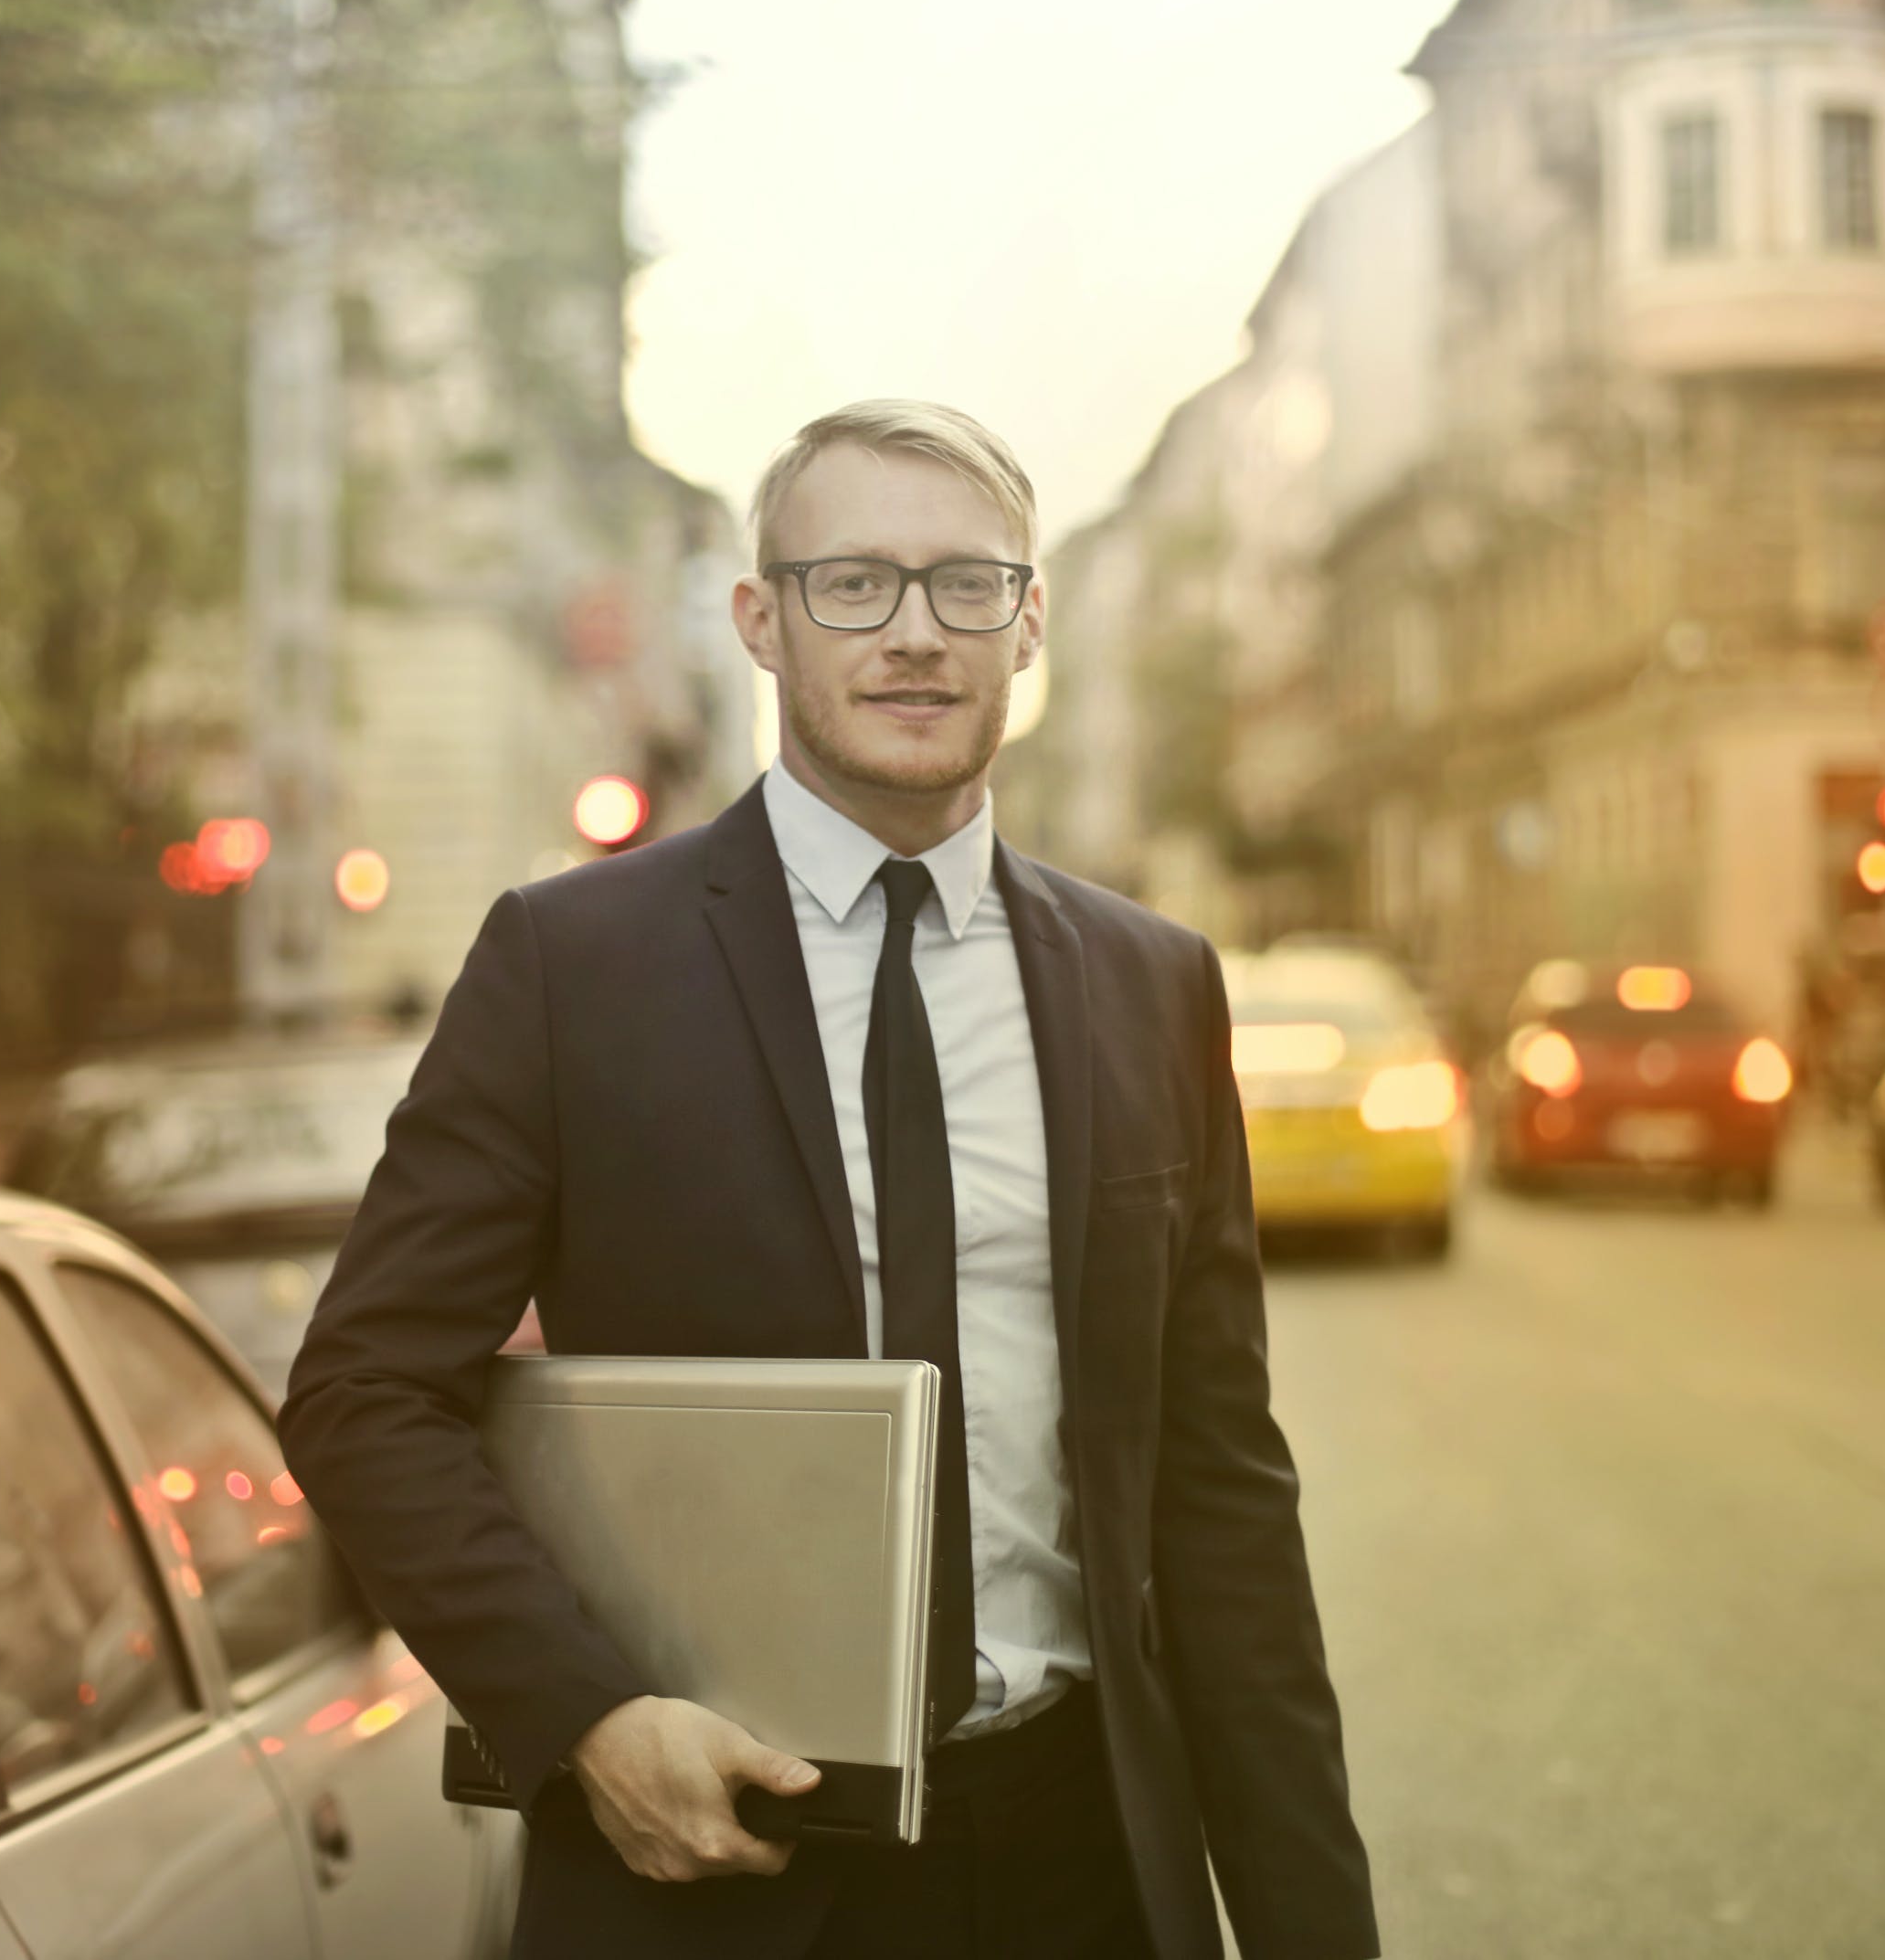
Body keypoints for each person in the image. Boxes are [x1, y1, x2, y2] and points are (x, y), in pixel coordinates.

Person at [281, 399, 1380, 1960]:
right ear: (762, 621)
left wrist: (1310, 1927)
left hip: (1087, 1858)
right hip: (717, 1856)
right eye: (853, 583)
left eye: (966, 585)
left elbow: (1221, 1490)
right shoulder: (572, 964)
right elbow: (362, 1390)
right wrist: (587, 1718)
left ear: (1029, 622)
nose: (917, 634)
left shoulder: (1154, 983)